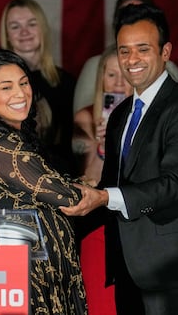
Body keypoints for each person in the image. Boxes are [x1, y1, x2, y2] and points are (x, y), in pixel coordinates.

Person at [60, 4, 178, 315]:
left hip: (171, 267)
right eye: (124, 51)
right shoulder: (120, 113)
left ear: (165, 52)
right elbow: (111, 186)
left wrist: (104, 195)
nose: (131, 60)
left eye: (142, 49)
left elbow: (175, 183)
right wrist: (70, 196)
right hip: (125, 265)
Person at [0, 48, 87, 314]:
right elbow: (68, 197)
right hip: (26, 288)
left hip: (38, 281)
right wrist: (96, 191)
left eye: (24, 83)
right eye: (6, 87)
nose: (20, 93)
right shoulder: (1, 147)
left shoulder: (10, 140)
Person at [72, 44, 132, 315]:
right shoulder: (84, 118)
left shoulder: (147, 119)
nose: (118, 83)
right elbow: (87, 179)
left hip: (133, 218)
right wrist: (101, 145)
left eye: (124, 74)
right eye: (111, 75)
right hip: (96, 217)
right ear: (101, 79)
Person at [0, 0, 77, 176]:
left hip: (58, 175)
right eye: (15, 26)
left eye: (31, 24)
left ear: (43, 28)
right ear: (7, 35)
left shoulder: (66, 82)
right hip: (9, 173)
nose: (24, 31)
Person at [73, 0, 178, 114]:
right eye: (126, 16)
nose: (133, 22)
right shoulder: (94, 64)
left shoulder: (169, 68)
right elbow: (82, 111)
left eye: (140, 16)